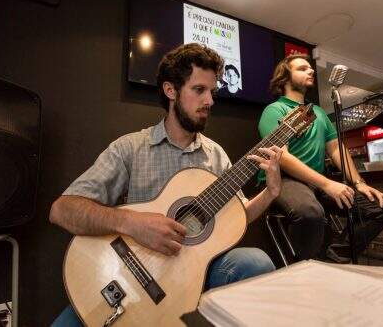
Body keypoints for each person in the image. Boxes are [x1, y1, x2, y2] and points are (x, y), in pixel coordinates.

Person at [50, 43, 283, 326]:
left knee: (255, 262)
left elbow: (237, 215)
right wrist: (132, 223)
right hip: (123, 273)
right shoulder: (131, 148)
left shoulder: (216, 155)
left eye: (212, 91)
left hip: (190, 275)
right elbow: (62, 210)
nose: (210, 101)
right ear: (171, 91)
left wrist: (270, 193)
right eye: (199, 90)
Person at [257, 54, 383, 261]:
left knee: (381, 208)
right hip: (283, 179)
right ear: (284, 78)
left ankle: (334, 255)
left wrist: (359, 183)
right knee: (310, 212)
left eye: (310, 68)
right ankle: (301, 272)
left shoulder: (319, 113)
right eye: (302, 69)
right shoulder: (275, 110)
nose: (311, 70)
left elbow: (337, 150)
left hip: (317, 183)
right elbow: (281, 156)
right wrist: (327, 184)